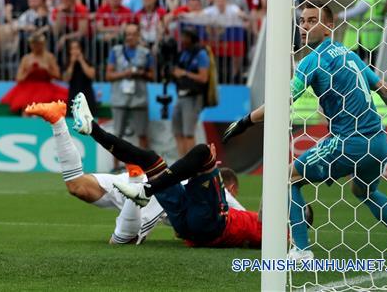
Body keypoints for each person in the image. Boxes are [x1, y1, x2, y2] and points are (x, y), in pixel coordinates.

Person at [222, 3, 387, 261]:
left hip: (349, 142)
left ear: (329, 26)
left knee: (286, 179)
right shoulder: (350, 54)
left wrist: (245, 122)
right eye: (302, 21)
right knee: (364, 191)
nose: (304, 26)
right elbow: (384, 89)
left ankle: (301, 250)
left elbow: (282, 100)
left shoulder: (311, 61)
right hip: (377, 143)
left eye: (312, 21)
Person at [69, 95, 261, 249]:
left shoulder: (257, 224)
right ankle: (92, 129)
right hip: (188, 223)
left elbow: (248, 235)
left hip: (208, 226)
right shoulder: (255, 220)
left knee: (203, 152)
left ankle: (145, 190)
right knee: (150, 159)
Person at [23, 97, 166, 245]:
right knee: (123, 241)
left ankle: (58, 120)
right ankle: (135, 181)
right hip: (159, 193)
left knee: (78, 186)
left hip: (149, 180)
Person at [106, 23, 154, 148]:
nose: (130, 37)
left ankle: (145, 166)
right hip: (119, 98)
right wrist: (124, 74)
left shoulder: (146, 53)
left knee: (142, 134)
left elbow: (152, 76)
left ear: (138, 35)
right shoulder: (116, 51)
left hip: (139, 99)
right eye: (128, 34)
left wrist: (140, 73)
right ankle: (115, 166)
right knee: (117, 135)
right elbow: (109, 75)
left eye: (133, 34)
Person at [0, 33, 68, 113]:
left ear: (43, 44)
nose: (36, 46)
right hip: (27, 89)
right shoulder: (26, 58)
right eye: (34, 44)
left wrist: (47, 69)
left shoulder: (49, 57)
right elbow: (18, 78)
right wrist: (28, 71)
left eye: (38, 44)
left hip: (46, 88)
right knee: (26, 108)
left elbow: (57, 75)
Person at [171, 28, 211, 156]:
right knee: (177, 131)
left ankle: (190, 165)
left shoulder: (201, 54)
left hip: (193, 96)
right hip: (181, 95)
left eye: (185, 37)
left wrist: (185, 73)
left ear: (192, 38)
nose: (182, 40)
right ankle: (181, 162)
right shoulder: (184, 53)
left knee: (188, 133)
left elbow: (204, 78)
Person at [64, 39, 97, 116]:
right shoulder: (67, 64)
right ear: (69, 51)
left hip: (87, 96)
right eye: (72, 49)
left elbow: (91, 75)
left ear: (81, 49)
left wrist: (81, 61)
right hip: (73, 96)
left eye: (77, 48)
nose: (75, 51)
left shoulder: (88, 62)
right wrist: (72, 63)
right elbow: (66, 78)